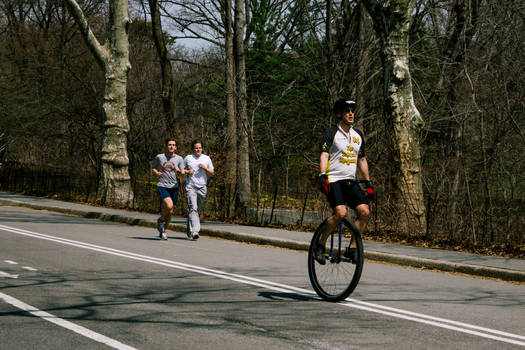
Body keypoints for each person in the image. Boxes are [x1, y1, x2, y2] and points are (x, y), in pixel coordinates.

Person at [316, 98, 376, 264]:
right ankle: (320, 245)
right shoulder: (331, 133)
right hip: (334, 180)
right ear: (339, 114)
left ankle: (352, 248)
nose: (351, 113)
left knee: (364, 212)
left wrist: (368, 183)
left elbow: (362, 160)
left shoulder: (358, 136)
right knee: (341, 213)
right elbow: (324, 154)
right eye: (347, 110)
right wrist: (322, 175)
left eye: (352, 110)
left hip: (350, 181)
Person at [152, 138, 186, 240]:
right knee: (169, 205)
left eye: (173, 145)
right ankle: (161, 220)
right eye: (169, 145)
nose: (171, 147)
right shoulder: (160, 157)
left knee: (170, 211)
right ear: (166, 146)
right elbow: (153, 167)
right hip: (163, 185)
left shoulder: (179, 159)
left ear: (175, 147)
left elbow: (183, 172)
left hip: (174, 186)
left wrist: (178, 170)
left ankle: (163, 231)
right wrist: (156, 172)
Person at [184, 140, 214, 240]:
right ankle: (195, 231)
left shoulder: (206, 158)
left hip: (202, 187)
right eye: (196, 148)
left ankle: (189, 231)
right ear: (193, 149)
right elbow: (181, 170)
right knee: (193, 208)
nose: (198, 149)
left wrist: (204, 168)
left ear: (202, 148)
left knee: (195, 210)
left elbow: (212, 172)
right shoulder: (188, 158)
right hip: (191, 186)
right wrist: (188, 171)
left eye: (199, 148)